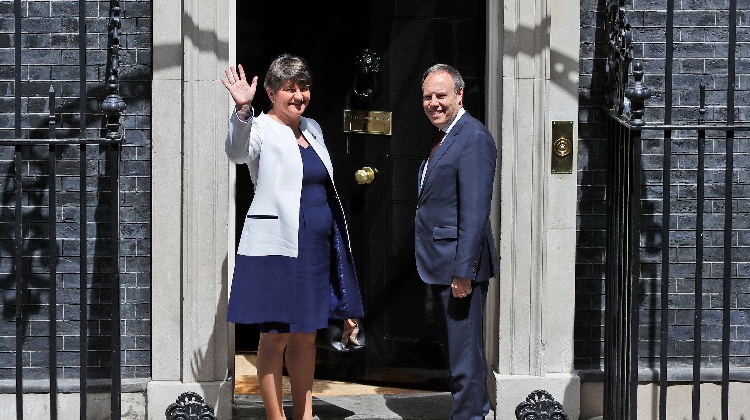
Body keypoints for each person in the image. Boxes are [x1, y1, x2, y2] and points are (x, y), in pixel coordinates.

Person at [221, 54, 364, 420]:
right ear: (270, 92)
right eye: (289, 88)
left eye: (303, 87)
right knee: (275, 335)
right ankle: (276, 417)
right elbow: (237, 152)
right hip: (277, 246)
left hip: (315, 246)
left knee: (305, 333)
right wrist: (241, 110)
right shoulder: (259, 128)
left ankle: (303, 414)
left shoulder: (313, 128)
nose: (298, 95)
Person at [415, 64, 498, 419]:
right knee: (466, 353)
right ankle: (476, 411)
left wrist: (464, 272)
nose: (433, 103)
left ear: (459, 95)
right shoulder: (446, 136)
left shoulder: (473, 137)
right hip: (445, 260)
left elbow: (475, 212)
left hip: (460, 267)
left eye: (441, 96)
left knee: (464, 357)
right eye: (427, 97)